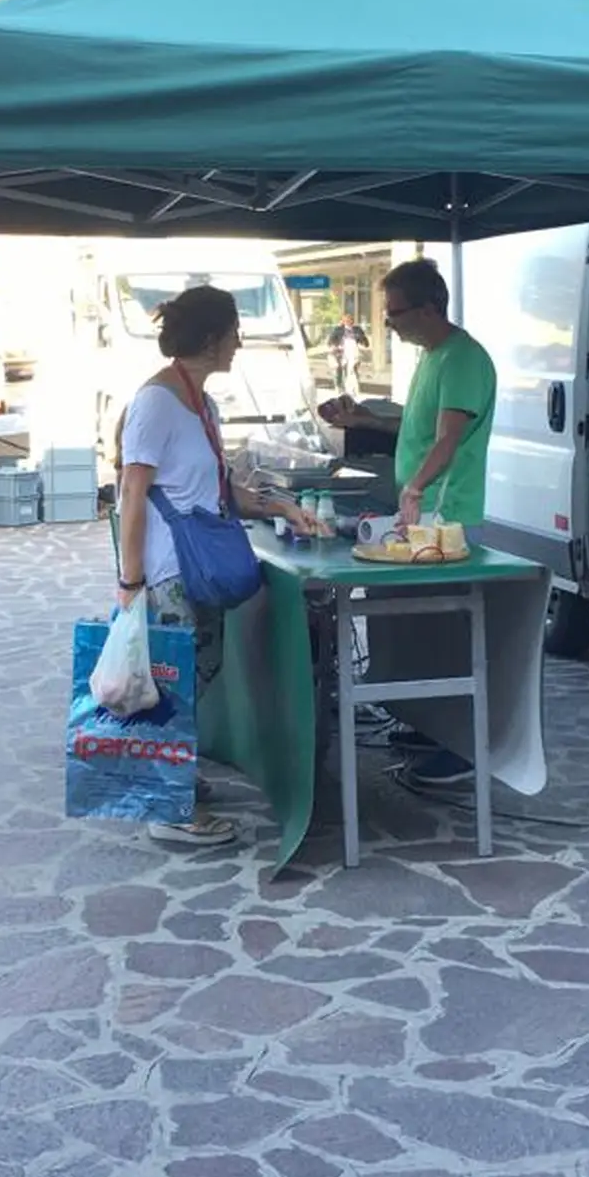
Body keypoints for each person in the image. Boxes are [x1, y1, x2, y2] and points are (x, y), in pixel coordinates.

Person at [116, 284, 318, 847]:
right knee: (169, 681)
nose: (239, 341)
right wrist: (131, 581)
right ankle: (169, 807)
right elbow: (133, 493)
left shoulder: (198, 400)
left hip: (192, 566)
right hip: (166, 570)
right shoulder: (157, 401)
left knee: (190, 676)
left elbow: (218, 486)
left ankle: (173, 775)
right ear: (210, 338)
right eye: (234, 331)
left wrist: (278, 506)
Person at [324, 256, 497, 787]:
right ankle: (430, 725)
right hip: (426, 513)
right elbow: (416, 424)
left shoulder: (462, 359)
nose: (390, 325)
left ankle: (462, 746)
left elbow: (447, 437)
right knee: (421, 632)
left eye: (396, 315)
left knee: (449, 632)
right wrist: (361, 420)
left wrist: (416, 487)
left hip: (449, 515)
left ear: (427, 308)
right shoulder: (431, 355)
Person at [326, 311, 371, 397]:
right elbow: (331, 341)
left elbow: (365, 341)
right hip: (342, 351)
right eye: (345, 319)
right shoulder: (338, 330)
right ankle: (341, 387)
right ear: (343, 321)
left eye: (349, 319)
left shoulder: (357, 329)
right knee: (342, 369)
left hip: (354, 351)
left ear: (352, 321)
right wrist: (335, 347)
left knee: (352, 370)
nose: (348, 321)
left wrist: (363, 342)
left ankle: (352, 389)